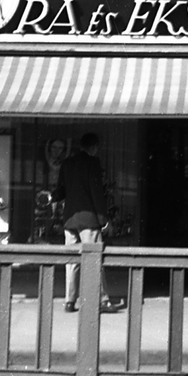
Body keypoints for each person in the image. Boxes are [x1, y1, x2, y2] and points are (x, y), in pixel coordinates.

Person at [54, 132, 113, 313]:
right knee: (94, 260)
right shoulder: (92, 163)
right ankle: (102, 300)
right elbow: (96, 192)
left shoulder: (67, 163)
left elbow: (61, 191)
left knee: (71, 262)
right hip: (88, 220)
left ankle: (70, 301)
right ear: (94, 147)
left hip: (70, 219)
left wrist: (51, 198)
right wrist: (103, 219)